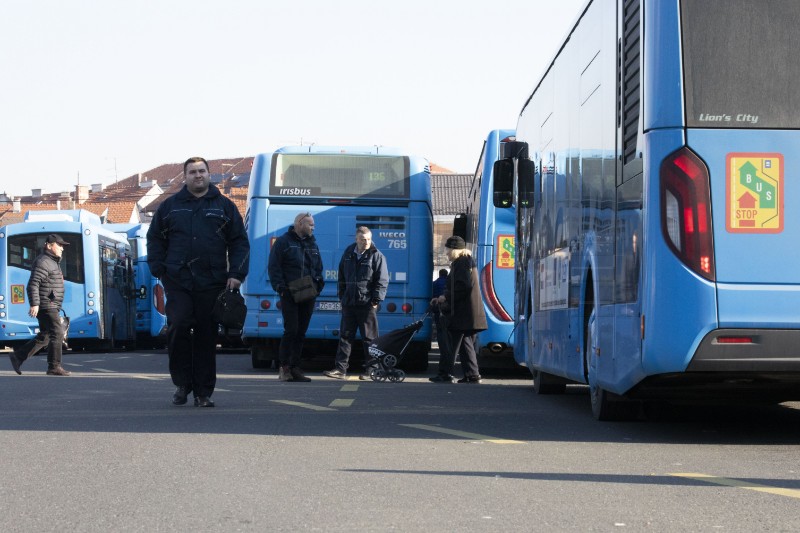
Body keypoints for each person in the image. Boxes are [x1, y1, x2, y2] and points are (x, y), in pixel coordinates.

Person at [147, 157, 250, 407]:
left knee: (206, 336)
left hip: (212, 281)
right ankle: (182, 384)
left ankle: (203, 392)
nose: (197, 175)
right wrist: (158, 268)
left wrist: (236, 274)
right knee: (179, 326)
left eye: (201, 171)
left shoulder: (224, 206)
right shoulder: (169, 206)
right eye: (192, 172)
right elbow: (155, 239)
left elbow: (239, 242)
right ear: (185, 176)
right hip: (178, 280)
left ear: (208, 174)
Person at [323, 226, 389, 380]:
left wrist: (376, 300)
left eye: (368, 239)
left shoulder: (377, 256)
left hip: (367, 304)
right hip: (349, 303)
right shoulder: (348, 254)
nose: (366, 242)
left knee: (370, 339)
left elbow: (382, 280)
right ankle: (340, 370)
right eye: (363, 239)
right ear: (356, 239)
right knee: (345, 337)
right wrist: (342, 296)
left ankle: (373, 370)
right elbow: (341, 276)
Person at [268, 211, 324, 382]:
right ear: (300, 223)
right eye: (310, 224)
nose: (313, 227)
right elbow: (274, 266)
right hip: (290, 292)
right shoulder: (284, 242)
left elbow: (318, 267)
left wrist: (318, 285)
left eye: (313, 224)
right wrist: (281, 288)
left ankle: (295, 368)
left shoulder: (312, 244)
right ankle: (284, 368)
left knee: (301, 332)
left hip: (307, 291)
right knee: (291, 330)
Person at [8, 234, 72, 376]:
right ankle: (54, 366)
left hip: (50, 303)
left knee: (46, 335)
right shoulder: (44, 261)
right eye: (59, 245)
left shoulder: (52, 262)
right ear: (49, 246)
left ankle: (18, 357)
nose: (62, 248)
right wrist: (35, 304)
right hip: (46, 304)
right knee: (58, 332)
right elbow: (33, 284)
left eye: (63, 246)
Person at [429, 236, 487, 384]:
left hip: (461, 313)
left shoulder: (460, 263)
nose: (446, 253)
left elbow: (463, 286)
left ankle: (445, 373)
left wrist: (445, 297)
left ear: (454, 250)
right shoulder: (466, 261)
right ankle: (472, 374)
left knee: (450, 344)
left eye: (448, 250)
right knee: (465, 343)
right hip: (468, 313)